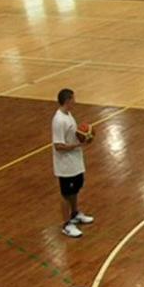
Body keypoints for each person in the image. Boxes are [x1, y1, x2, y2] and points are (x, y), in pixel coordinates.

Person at [53, 89, 93, 239]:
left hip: (74, 161)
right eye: (73, 99)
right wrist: (77, 145)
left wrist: (83, 136)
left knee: (75, 189)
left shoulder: (68, 115)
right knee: (65, 193)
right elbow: (58, 145)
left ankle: (75, 213)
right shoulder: (59, 120)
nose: (75, 101)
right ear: (67, 100)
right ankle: (66, 225)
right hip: (65, 165)